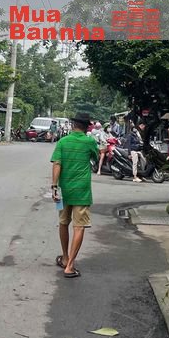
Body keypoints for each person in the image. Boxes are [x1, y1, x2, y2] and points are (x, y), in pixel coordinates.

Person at [51, 112, 99, 278]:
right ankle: (70, 266)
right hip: (82, 191)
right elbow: (96, 157)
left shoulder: (63, 142)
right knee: (79, 227)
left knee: (63, 223)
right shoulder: (89, 141)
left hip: (64, 190)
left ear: (73, 125)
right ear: (87, 127)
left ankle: (65, 257)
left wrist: (54, 187)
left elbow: (57, 164)